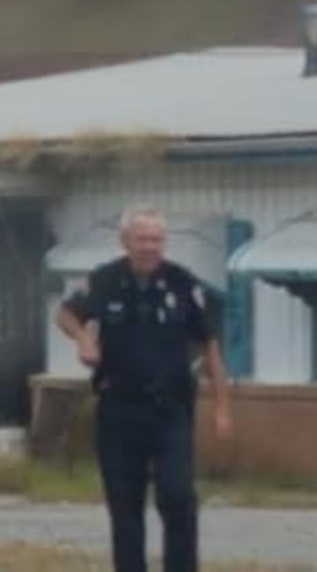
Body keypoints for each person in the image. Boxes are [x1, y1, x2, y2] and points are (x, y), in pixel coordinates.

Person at [56, 205, 233, 572]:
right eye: (142, 239)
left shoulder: (183, 283)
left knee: (178, 496)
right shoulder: (105, 280)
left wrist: (221, 406)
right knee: (124, 508)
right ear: (126, 242)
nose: (150, 247)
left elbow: (209, 344)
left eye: (156, 239)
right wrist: (82, 339)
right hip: (118, 411)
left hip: (170, 411)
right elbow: (65, 313)